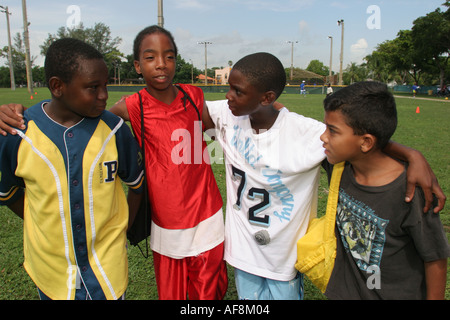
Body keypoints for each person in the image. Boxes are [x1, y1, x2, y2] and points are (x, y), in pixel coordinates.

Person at [201, 53, 446, 300]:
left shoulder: (307, 133)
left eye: (237, 91)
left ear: (267, 98)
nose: (228, 95)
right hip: (243, 252)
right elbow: (186, 105)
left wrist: (412, 155)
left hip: (283, 258)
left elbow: (362, 137)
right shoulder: (225, 114)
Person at [0, 38, 145, 300]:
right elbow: (8, 195)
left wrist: (123, 229)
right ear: (57, 86)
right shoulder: (18, 135)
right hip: (51, 272)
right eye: (93, 87)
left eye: (105, 86)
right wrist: (45, 225)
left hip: (108, 270)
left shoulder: (114, 130)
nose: (104, 95)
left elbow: (137, 186)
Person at [320, 81, 449, 299]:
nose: (323, 137)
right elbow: (280, 113)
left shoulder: (410, 191)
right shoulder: (339, 165)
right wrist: (412, 153)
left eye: (332, 131)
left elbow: (435, 257)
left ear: (366, 142)